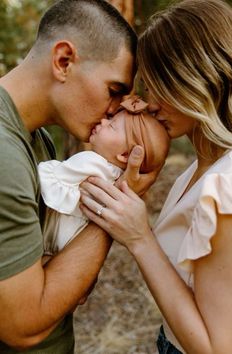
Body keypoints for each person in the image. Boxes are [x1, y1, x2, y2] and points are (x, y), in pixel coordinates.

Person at [0, 0, 159, 352]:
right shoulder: (4, 158)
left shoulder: (34, 137)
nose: (116, 109)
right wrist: (115, 204)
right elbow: (24, 325)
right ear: (64, 61)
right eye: (114, 90)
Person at [79, 0, 232, 353]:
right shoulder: (199, 170)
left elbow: (217, 348)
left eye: (157, 87)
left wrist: (140, 239)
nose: (149, 104)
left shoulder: (227, 185)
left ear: (194, 80)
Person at [38, 96, 169, 258]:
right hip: (69, 246)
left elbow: (45, 178)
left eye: (112, 126)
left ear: (124, 155)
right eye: (110, 120)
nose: (103, 122)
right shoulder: (117, 177)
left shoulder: (91, 162)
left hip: (50, 234)